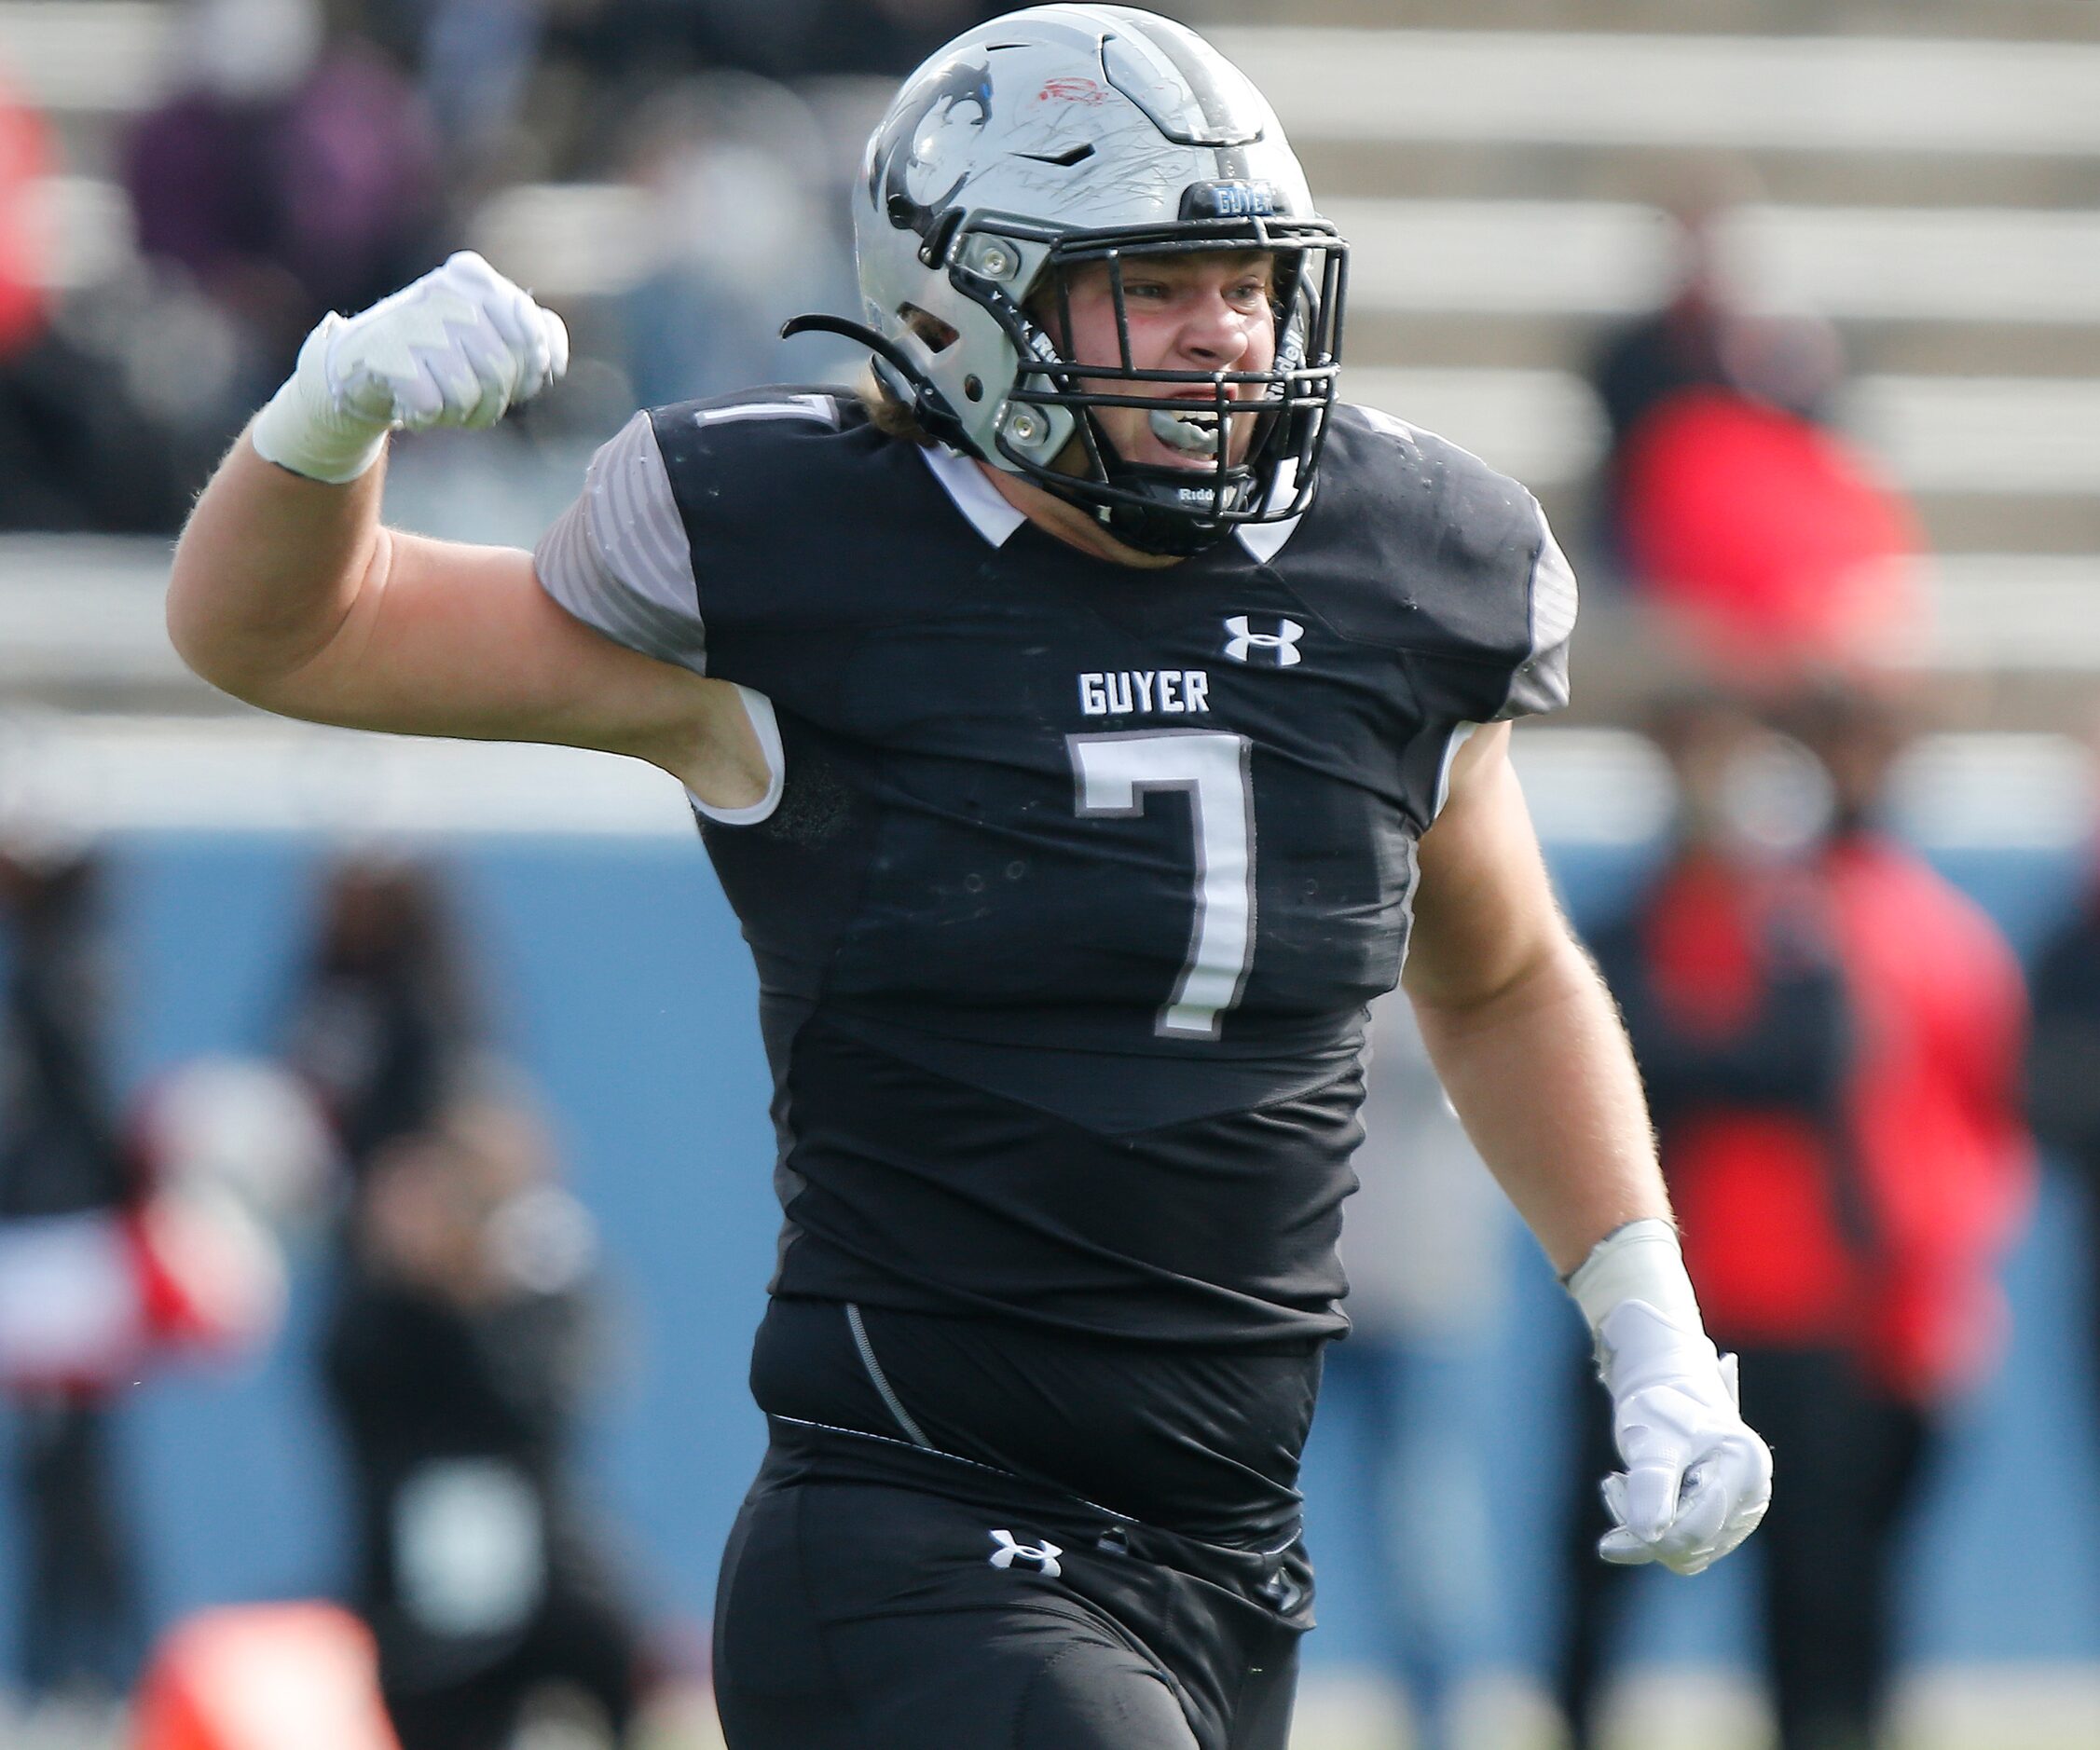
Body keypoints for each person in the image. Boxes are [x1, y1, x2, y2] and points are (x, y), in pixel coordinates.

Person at [165, 9, 1773, 1745]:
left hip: (1228, 1553)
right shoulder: (805, 563)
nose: (1223, 333)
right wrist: (329, 418)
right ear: (961, 304)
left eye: (1242, 282)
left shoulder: (1395, 570)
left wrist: (1649, 1327)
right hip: (916, 1535)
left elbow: (1502, 973)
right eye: (1155, 287)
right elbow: (287, 630)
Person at [1559, 688, 2031, 1750]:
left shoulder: (1842, 929)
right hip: (1667, 1305)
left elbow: (1818, 1073)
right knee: (1602, 1578)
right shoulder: (1646, 924)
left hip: (1822, 1310)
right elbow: (1634, 1070)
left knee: (1823, 1600)